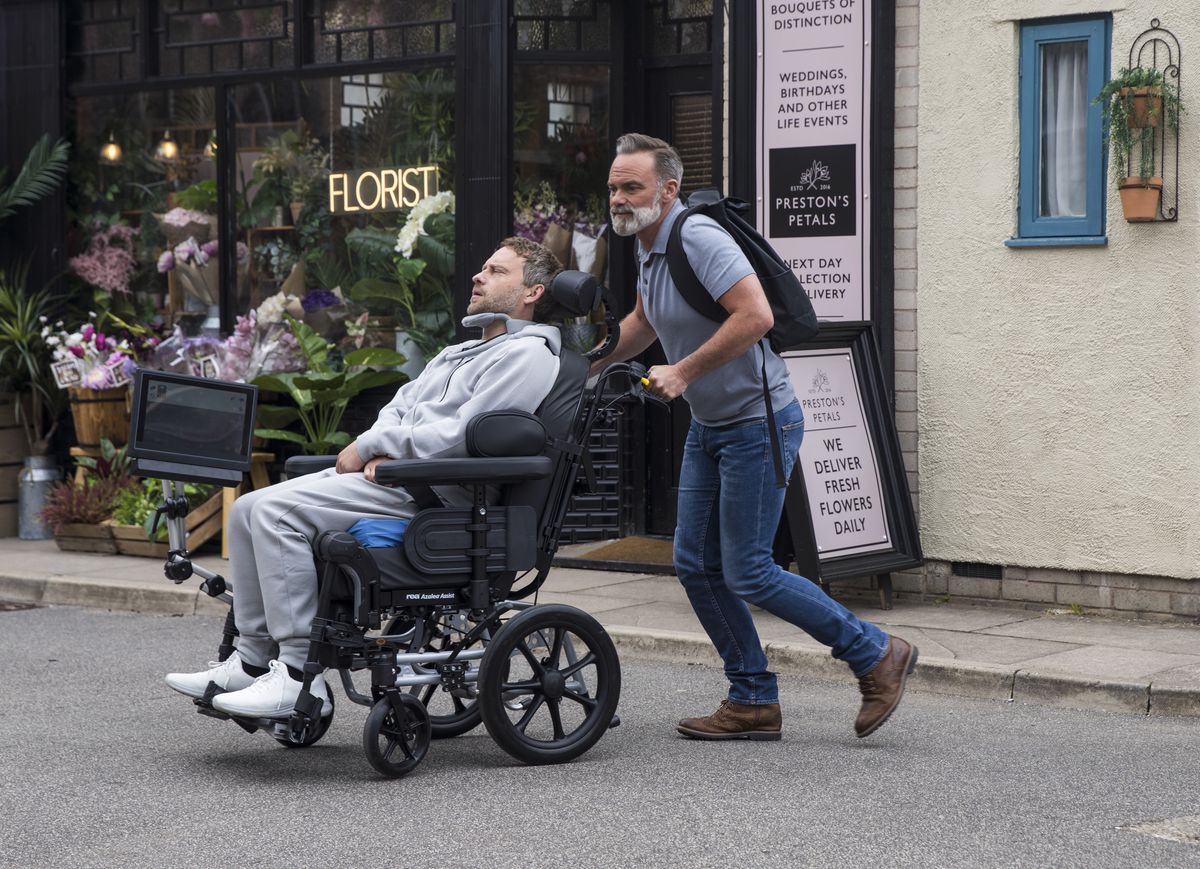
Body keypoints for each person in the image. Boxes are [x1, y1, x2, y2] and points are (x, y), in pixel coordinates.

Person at [598, 132, 917, 740]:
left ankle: (875, 652)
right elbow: (643, 321)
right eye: (613, 187)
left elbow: (757, 316)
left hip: (757, 420)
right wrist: (578, 370)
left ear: (667, 190)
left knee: (748, 569)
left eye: (630, 186)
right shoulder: (647, 245)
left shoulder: (697, 236)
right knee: (695, 564)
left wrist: (683, 370)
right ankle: (751, 700)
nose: (618, 197)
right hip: (712, 424)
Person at [166, 237, 566, 719]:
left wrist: (381, 450)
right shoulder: (459, 352)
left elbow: (463, 435)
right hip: (399, 476)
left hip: (437, 494)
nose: (480, 276)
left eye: (498, 271)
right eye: (483, 265)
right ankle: (252, 662)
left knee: (274, 514)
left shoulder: (529, 355)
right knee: (250, 507)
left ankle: (296, 677)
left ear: (533, 292)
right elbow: (397, 408)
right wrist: (375, 445)